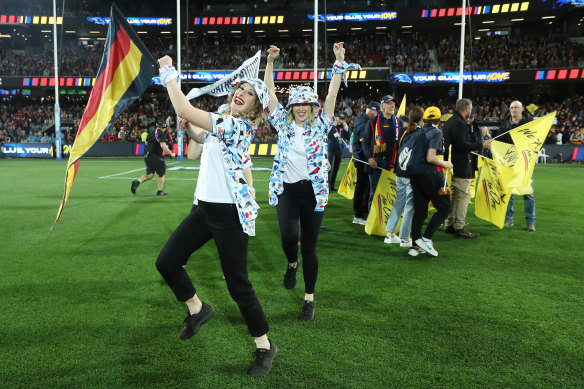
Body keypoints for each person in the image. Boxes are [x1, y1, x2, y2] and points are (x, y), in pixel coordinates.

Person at [154, 55, 277, 377]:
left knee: (239, 286)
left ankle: (264, 345)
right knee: (166, 262)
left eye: (250, 93)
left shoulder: (237, 125)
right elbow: (203, 141)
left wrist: (168, 73)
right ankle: (198, 309)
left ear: (254, 109)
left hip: (229, 215)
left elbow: (183, 108)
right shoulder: (223, 119)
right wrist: (192, 131)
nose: (241, 92)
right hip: (204, 208)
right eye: (241, 88)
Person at [264, 43, 356, 321]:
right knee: (289, 238)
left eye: (306, 104)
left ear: (313, 107)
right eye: (297, 104)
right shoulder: (282, 122)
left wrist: (339, 62)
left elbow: (332, 93)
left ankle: (309, 297)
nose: (301, 108)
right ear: (291, 107)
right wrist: (270, 62)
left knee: (311, 247)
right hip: (287, 192)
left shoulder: (322, 124)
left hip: (314, 193)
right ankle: (291, 263)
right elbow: (269, 91)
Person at [443, 98, 492, 238]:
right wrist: (482, 145)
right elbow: (462, 146)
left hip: (450, 165)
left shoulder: (450, 122)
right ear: (467, 109)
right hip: (460, 165)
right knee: (463, 196)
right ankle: (460, 227)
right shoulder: (460, 123)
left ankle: (449, 224)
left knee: (453, 197)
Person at [409, 107, 453, 257]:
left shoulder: (418, 131)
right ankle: (426, 239)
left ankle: (414, 246)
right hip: (428, 174)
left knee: (420, 210)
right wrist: (446, 163)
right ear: (439, 120)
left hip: (414, 175)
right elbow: (431, 157)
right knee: (445, 208)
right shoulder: (436, 132)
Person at [384, 106, 423, 248]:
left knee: (399, 203)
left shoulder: (403, 132)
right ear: (421, 118)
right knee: (410, 206)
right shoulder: (419, 132)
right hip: (410, 173)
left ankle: (389, 234)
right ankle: (405, 238)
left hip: (399, 171)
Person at [498, 100, 536, 232]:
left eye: (516, 107)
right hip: (509, 162)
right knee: (509, 192)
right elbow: (499, 140)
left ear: (522, 109)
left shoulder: (531, 123)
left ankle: (530, 222)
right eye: (512, 107)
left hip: (525, 162)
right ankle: (509, 219)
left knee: (528, 193)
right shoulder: (505, 123)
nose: (514, 110)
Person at [362, 95, 403, 210]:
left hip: (393, 163)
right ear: (382, 106)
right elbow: (365, 143)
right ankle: (372, 225)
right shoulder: (373, 122)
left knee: (390, 195)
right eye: (389, 103)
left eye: (393, 103)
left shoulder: (399, 122)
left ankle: (387, 224)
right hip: (376, 164)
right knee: (374, 194)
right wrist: (370, 158)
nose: (392, 105)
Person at [351, 102, 379, 224]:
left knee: (367, 186)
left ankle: (364, 211)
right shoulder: (361, 119)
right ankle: (358, 215)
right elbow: (362, 133)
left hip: (366, 157)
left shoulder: (365, 119)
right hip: (361, 157)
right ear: (372, 111)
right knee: (361, 185)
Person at [131, 123, 176, 196]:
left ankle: (137, 182)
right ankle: (159, 191)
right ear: (164, 128)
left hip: (148, 156)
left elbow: (146, 143)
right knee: (161, 174)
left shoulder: (151, 132)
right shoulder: (161, 134)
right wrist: (171, 153)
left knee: (150, 175)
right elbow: (163, 145)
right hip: (157, 157)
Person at [327, 113, 350, 191]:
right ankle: (326, 186)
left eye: (342, 119)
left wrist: (346, 126)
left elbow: (348, 137)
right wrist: (334, 125)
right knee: (329, 169)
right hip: (331, 150)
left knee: (336, 169)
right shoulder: (331, 126)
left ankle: (331, 186)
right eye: (340, 118)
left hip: (339, 150)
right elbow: (329, 135)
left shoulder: (342, 127)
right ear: (336, 118)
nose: (341, 120)